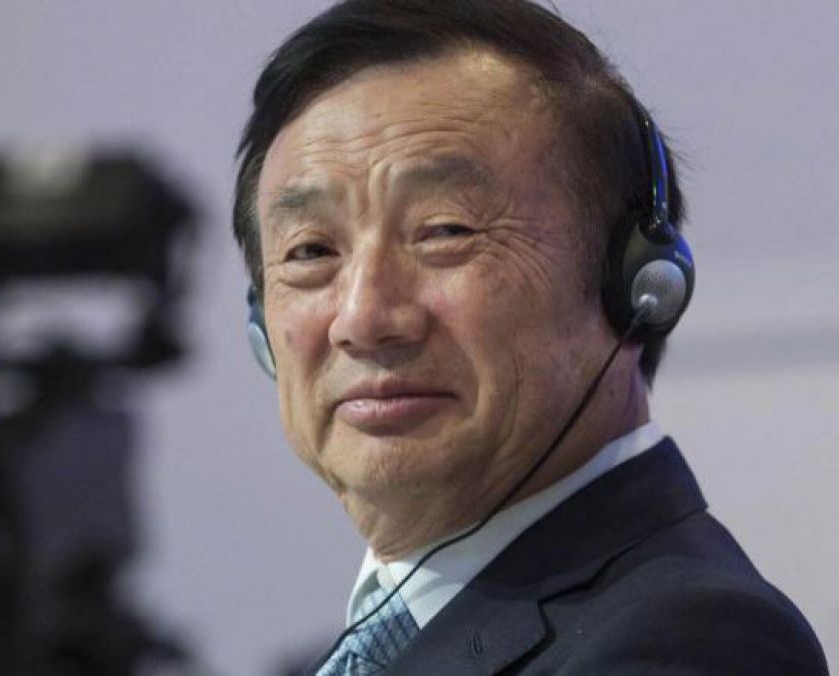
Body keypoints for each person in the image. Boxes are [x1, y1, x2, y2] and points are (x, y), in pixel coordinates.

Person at [231, 1, 828, 673]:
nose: (363, 319)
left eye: (446, 231)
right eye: (311, 251)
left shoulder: (692, 642)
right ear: (262, 323)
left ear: (635, 285)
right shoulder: (373, 643)